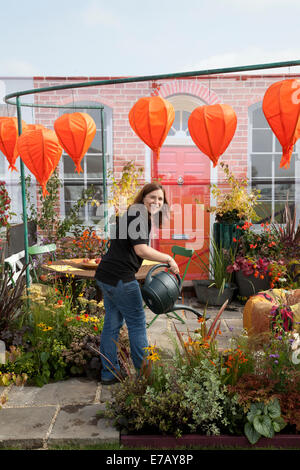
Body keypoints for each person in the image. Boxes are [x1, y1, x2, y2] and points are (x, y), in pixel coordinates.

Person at [94, 183, 179, 385]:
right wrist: (168, 258)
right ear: (143, 198)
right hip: (121, 279)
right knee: (137, 324)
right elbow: (141, 250)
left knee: (112, 325)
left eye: (160, 199)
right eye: (152, 197)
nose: (156, 202)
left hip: (106, 275)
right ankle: (145, 376)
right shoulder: (139, 216)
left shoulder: (134, 213)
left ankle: (109, 373)